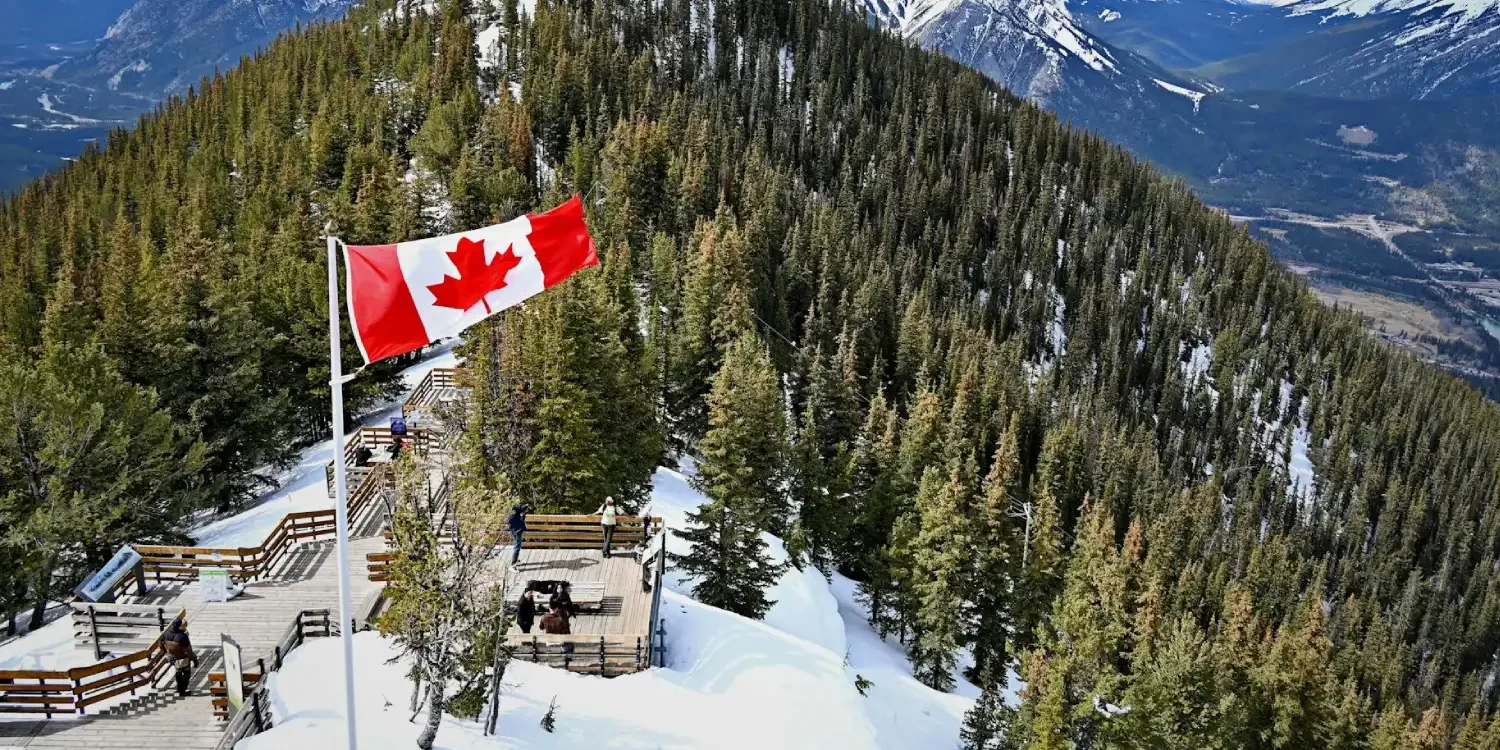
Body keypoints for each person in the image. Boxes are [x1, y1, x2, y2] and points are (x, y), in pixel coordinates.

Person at [161, 619, 198, 696]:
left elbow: (161, 646)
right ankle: (182, 690)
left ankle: (179, 688)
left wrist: (168, 653)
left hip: (173, 657)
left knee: (178, 672)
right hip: (183, 658)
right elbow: (188, 651)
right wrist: (194, 659)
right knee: (186, 672)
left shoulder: (166, 634)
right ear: (179, 625)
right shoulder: (182, 636)